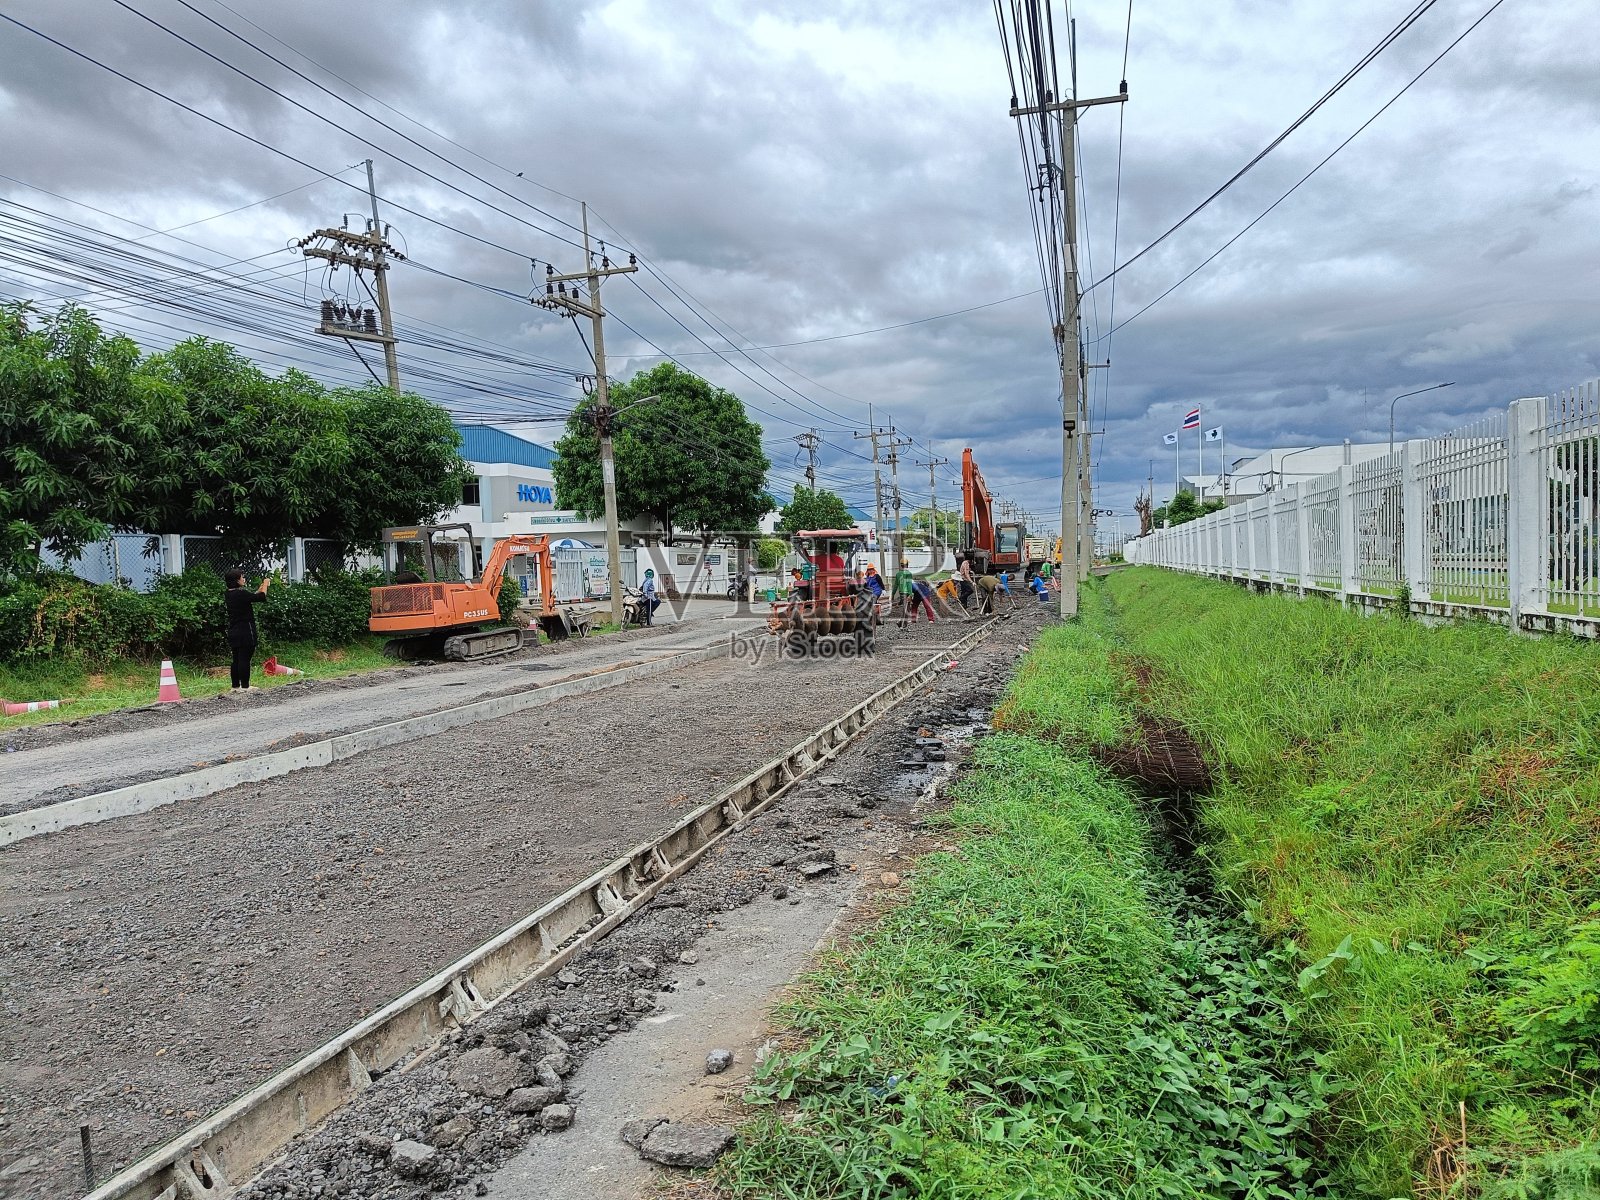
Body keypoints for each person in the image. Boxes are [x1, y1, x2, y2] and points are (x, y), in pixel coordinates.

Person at [224, 568, 270, 691]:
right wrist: (265, 583)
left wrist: (260, 588)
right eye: (242, 577)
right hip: (246, 630)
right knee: (245, 659)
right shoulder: (241, 594)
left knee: (236, 659)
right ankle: (245, 686)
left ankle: (235, 686)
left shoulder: (229, 594)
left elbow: (252, 597)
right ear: (237, 580)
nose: (243, 579)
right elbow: (261, 597)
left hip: (234, 630)